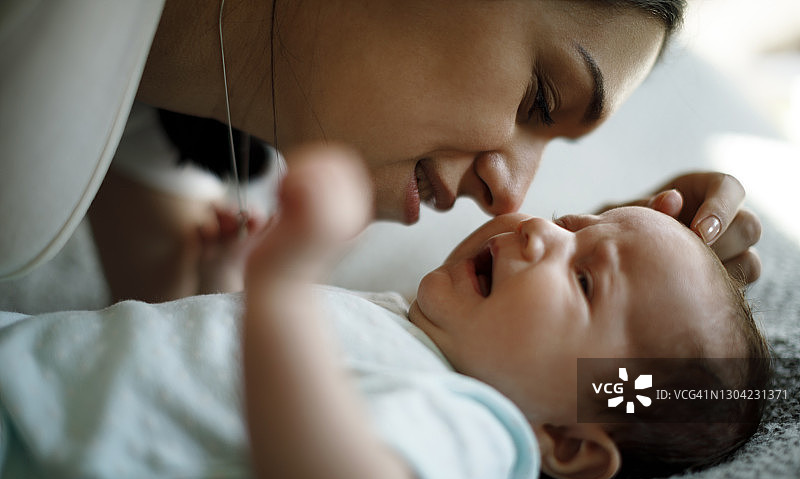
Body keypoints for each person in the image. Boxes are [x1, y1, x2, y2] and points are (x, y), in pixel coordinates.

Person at [0, 0, 761, 299]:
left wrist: (614, 296)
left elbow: (190, 368)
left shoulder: (165, 109)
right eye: (538, 99)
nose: (513, 196)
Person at [241, 146, 771, 479]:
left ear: (566, 440)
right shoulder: (399, 323)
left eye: (584, 280)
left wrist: (280, 288)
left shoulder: (479, 428)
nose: (539, 230)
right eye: (570, 224)